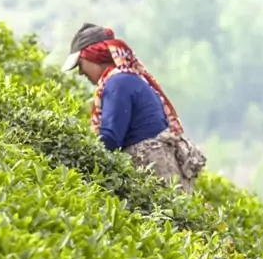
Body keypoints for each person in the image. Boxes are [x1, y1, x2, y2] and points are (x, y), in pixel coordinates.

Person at [61, 23, 206, 193]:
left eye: (80, 65)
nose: (80, 73)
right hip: (161, 164)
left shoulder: (118, 83)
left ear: (94, 57)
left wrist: (74, 158)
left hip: (153, 166)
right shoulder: (126, 79)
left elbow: (110, 139)